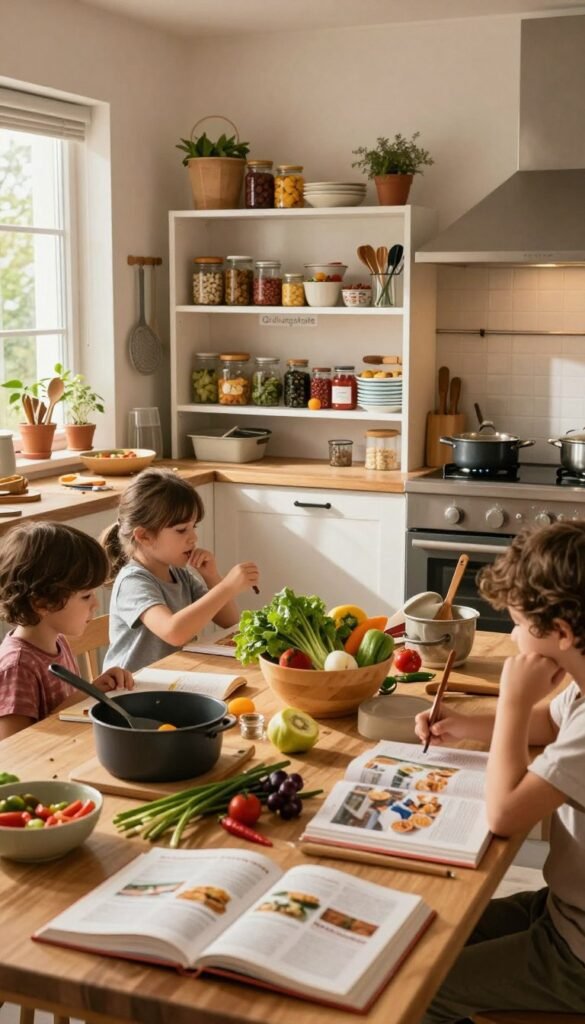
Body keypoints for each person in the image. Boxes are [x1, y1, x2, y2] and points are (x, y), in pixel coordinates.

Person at [416, 521, 585, 1023]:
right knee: (419, 936)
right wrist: (465, 723)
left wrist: (511, 702)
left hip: (577, 953)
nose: (512, 636)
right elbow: (549, 725)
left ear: (561, 632)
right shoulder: (580, 684)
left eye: (517, 624)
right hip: (564, 911)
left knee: (416, 989)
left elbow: (505, 815)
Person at [101, 467, 259, 673]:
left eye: (194, 527)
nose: (193, 537)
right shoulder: (133, 581)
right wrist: (228, 587)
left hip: (173, 680)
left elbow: (230, 621)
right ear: (144, 536)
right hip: (133, 693)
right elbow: (174, 632)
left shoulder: (180, 575)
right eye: (181, 530)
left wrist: (212, 577)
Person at [0, 521, 133, 740]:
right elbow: (13, 750)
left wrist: (92, 689)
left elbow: (58, 708)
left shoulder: (57, 642)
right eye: (86, 596)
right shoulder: (17, 667)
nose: (95, 605)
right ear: (42, 603)